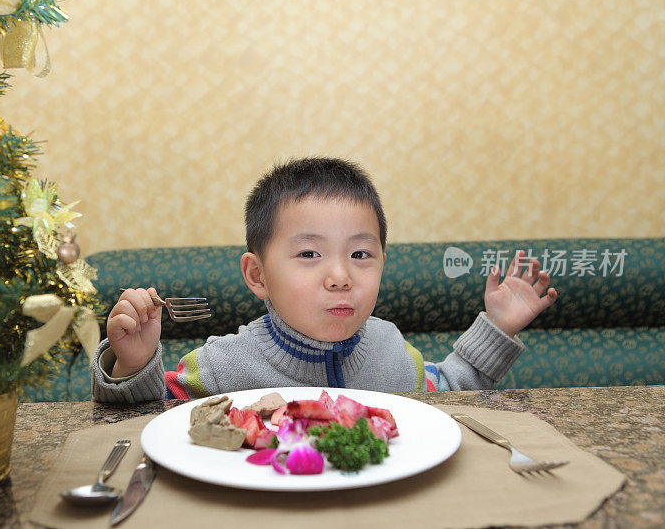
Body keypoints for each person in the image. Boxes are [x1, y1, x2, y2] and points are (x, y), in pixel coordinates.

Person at [92, 157, 557, 403]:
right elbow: (151, 422)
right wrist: (132, 364)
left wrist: (497, 328)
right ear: (257, 275)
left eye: (360, 254)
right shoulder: (221, 366)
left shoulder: (392, 349)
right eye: (310, 254)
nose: (340, 277)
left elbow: (449, 395)